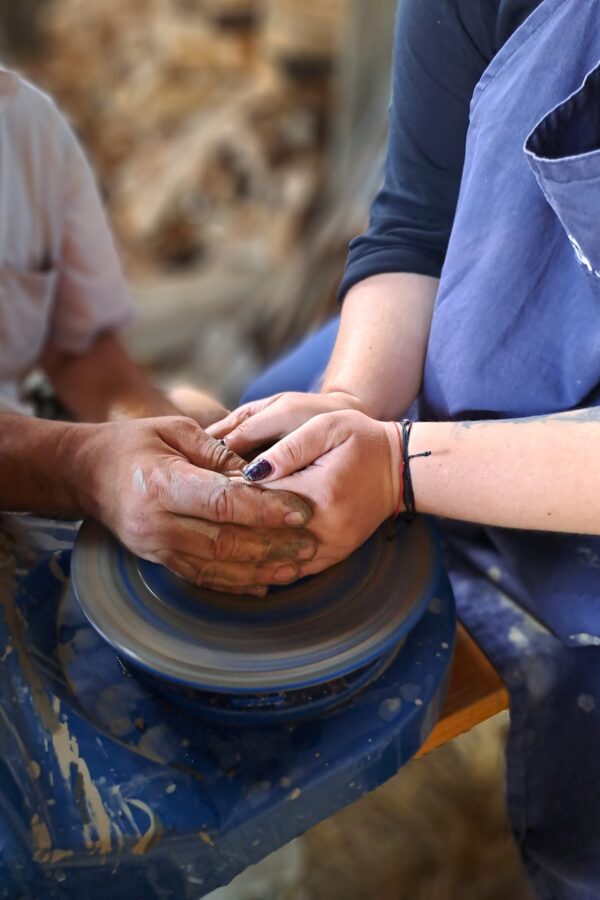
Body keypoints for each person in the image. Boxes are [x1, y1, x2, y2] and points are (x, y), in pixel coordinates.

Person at [211, 1, 600, 896]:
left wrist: (397, 468)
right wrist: (348, 407)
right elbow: (418, 228)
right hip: (481, 336)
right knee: (256, 444)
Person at [0, 65, 317, 594]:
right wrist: (82, 465)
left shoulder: (24, 126)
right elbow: (76, 462)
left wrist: (168, 430)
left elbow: (83, 359)